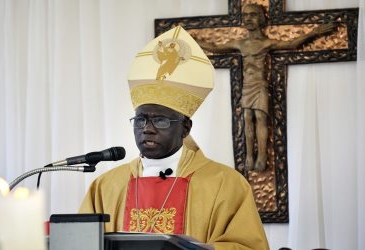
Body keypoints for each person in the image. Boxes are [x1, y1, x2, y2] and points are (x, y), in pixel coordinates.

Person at [79, 26, 270, 249]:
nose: (147, 129)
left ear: (185, 128)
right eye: (140, 120)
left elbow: (249, 246)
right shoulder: (107, 185)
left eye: (160, 120)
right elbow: (80, 243)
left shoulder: (226, 184)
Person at [197, 3, 335, 171]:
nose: (248, 18)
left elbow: (291, 45)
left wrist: (313, 33)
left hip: (260, 85)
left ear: (261, 18)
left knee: (260, 118)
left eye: (253, 15)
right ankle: (249, 155)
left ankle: (262, 156)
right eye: (246, 15)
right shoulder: (239, 44)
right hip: (247, 85)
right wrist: (192, 39)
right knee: (247, 117)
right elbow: (215, 48)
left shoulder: (266, 43)